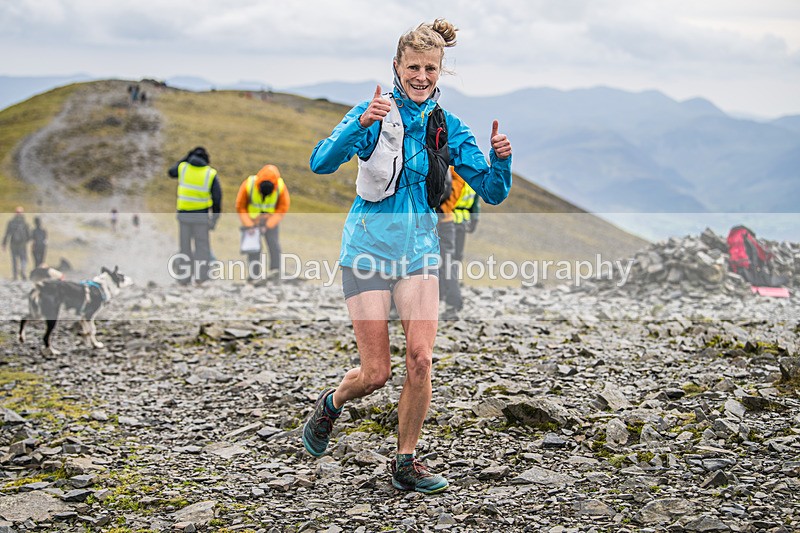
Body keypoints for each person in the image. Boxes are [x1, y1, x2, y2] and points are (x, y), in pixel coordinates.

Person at [303, 18, 512, 494]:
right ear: (396, 66)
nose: (422, 76)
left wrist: (501, 158)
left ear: (441, 72)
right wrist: (360, 125)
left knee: (420, 360)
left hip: (419, 252)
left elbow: (493, 191)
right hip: (366, 250)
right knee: (375, 374)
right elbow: (319, 162)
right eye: (414, 66)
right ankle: (332, 404)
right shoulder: (371, 112)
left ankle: (405, 462)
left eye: (431, 69)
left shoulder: (449, 128)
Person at [168, 146, 222, 286]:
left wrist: (186, 157)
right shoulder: (210, 173)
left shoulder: (183, 168)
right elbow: (217, 199)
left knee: (184, 247)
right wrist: (214, 219)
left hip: (184, 216)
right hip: (201, 217)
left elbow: (170, 172)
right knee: (202, 248)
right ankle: (201, 278)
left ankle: (183, 278)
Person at [235, 164, 290, 285]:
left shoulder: (280, 187)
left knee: (274, 247)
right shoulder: (249, 184)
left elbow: (282, 208)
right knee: (253, 249)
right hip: (252, 222)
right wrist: (249, 225)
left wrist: (268, 225)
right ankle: (254, 276)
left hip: (270, 222)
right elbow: (240, 206)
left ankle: (275, 274)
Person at [437, 167, 466, 320]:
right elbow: (459, 181)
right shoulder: (450, 155)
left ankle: (396, 307)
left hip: (425, 218)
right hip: (446, 219)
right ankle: (452, 304)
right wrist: (446, 206)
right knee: (448, 261)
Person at [3, 206, 31, 281]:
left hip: (13, 244)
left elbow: (7, 233)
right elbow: (29, 235)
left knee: (14, 259)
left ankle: (15, 275)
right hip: (22, 244)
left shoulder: (11, 222)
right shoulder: (25, 223)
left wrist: (4, 244)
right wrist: (26, 242)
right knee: (23, 259)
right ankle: (23, 270)